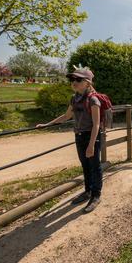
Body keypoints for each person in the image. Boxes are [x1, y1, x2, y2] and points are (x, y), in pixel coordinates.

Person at [36, 66, 103, 213]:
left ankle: (96, 195)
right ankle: (88, 191)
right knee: (85, 165)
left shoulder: (93, 100)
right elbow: (66, 116)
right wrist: (47, 124)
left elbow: (96, 124)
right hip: (79, 136)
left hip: (91, 136)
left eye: (78, 79)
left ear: (87, 83)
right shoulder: (74, 99)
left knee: (95, 166)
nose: (74, 82)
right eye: (73, 79)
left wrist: (91, 145)